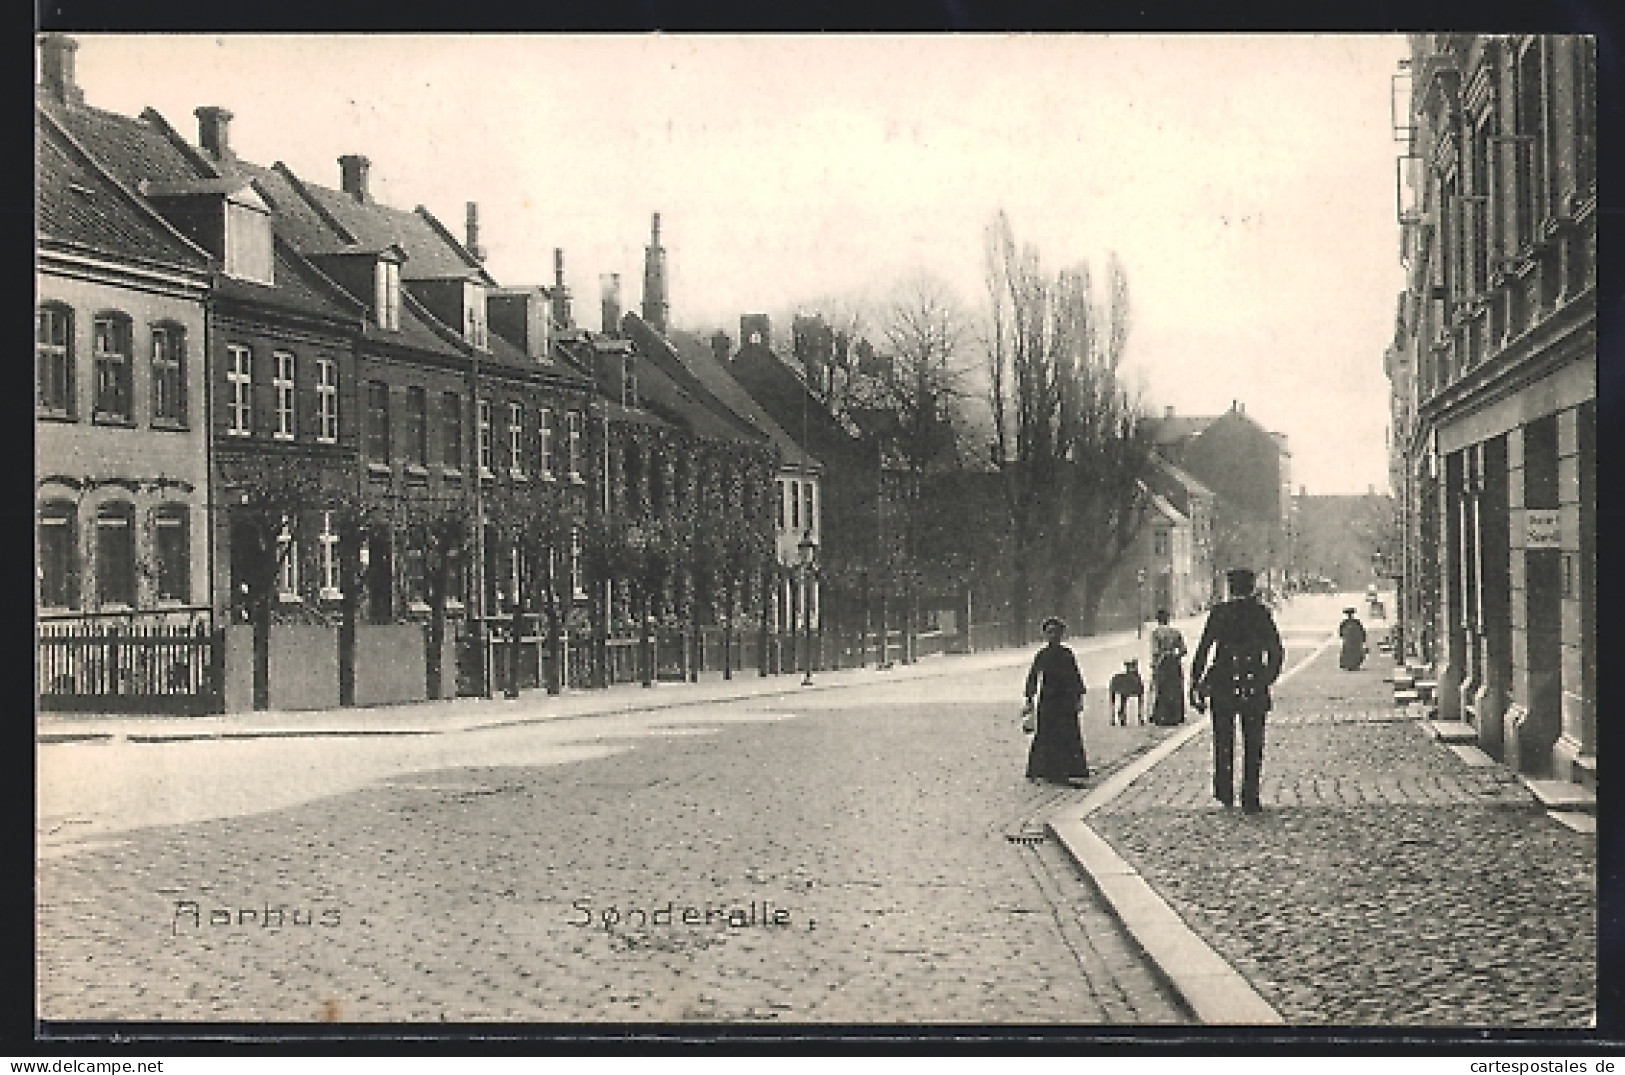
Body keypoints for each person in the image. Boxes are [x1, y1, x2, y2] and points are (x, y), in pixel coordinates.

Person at [1190, 568, 1284, 814]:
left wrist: (1195, 682)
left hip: (1223, 683)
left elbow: (1203, 649)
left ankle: (1225, 791)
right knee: (1253, 742)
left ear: (1230, 588)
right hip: (1253, 683)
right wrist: (1267, 677)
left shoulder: (1219, 613)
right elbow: (1276, 650)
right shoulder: (1260, 613)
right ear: (1251, 587)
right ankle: (1250, 795)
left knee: (1223, 739)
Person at [1022, 616, 1090, 784]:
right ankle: (1042, 769)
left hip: (1066, 700)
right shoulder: (1042, 655)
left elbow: (1075, 677)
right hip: (1048, 700)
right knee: (1045, 733)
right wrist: (1029, 698)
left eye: (1056, 632)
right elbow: (1033, 676)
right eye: (1049, 632)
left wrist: (1079, 697)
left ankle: (1068, 769)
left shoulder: (1067, 654)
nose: (1053, 636)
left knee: (1067, 734)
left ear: (1061, 634)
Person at [1148, 609, 1187, 726]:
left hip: (1163, 663)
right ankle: (1176, 715)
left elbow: (1155, 651)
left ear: (1158, 620)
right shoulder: (1176, 632)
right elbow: (1184, 650)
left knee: (1162, 688)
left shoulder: (1156, 633)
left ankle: (1163, 716)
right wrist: (1175, 655)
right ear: (1168, 619)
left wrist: (1154, 665)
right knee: (1175, 688)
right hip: (1174, 663)